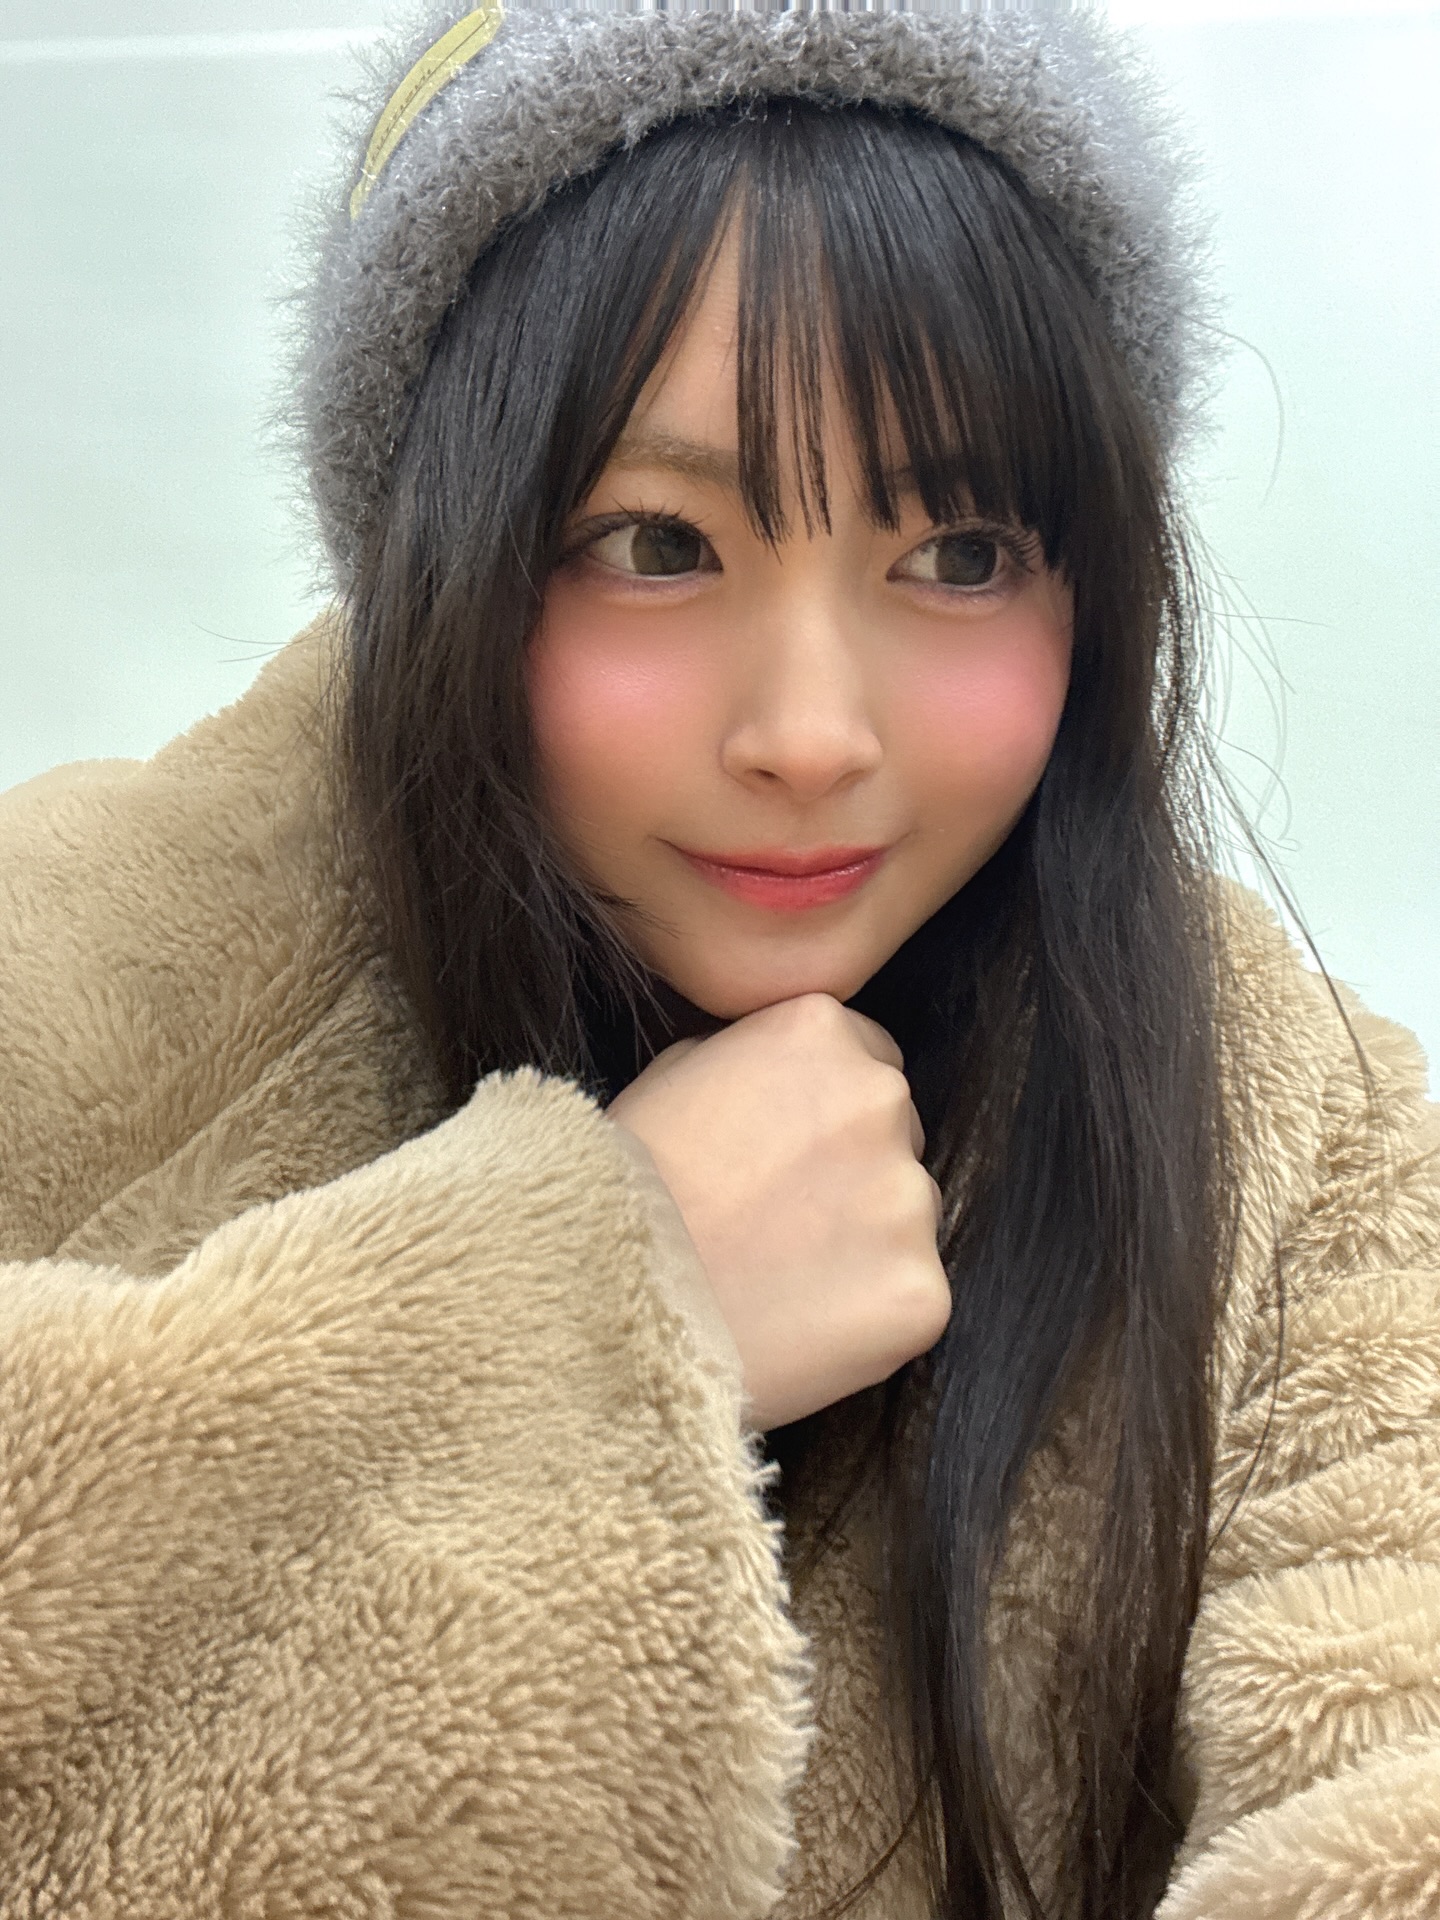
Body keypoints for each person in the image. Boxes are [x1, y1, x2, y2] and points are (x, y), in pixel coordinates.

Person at [1, 2, 1436, 1916]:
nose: (812, 736)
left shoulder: (1306, 1154)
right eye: (658, 543)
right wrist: (587, 1321)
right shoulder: (66, 959)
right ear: (445, 547)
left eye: (962, 553)